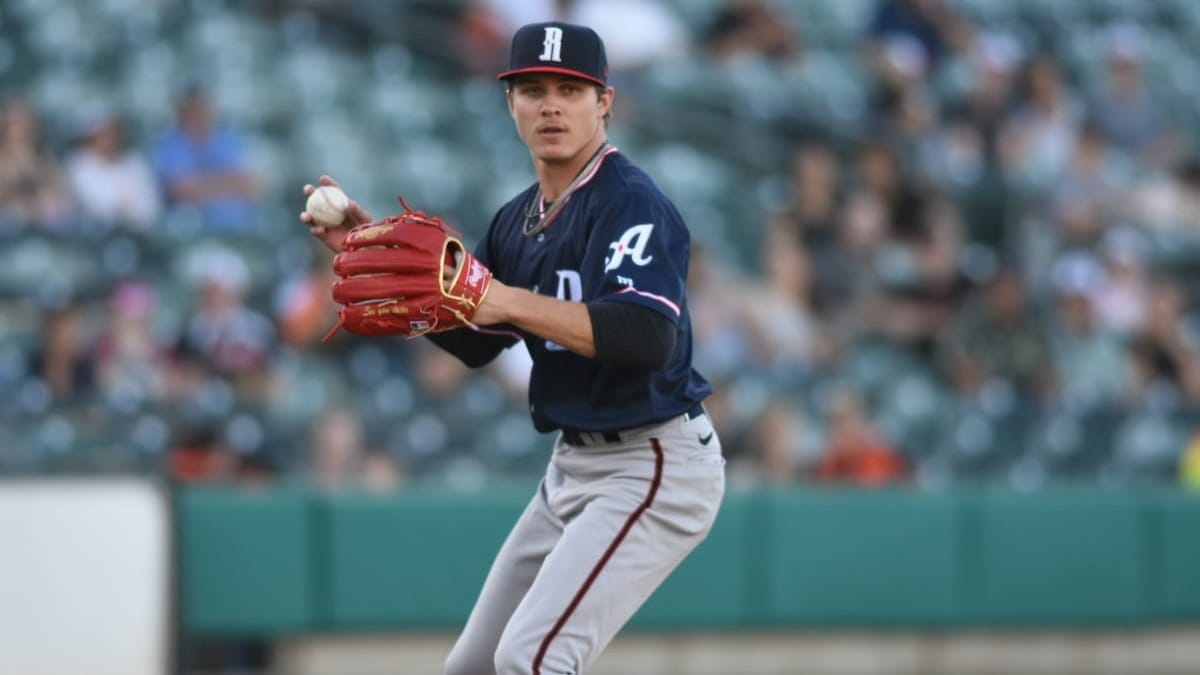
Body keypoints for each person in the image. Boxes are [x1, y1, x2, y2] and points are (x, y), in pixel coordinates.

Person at [301, 21, 724, 675]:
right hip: (574, 465)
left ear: (604, 101)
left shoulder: (631, 204)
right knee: (471, 666)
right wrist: (388, 265)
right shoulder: (516, 218)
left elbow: (647, 336)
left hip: (653, 463)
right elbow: (478, 343)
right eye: (532, 89)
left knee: (532, 659)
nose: (550, 104)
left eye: (569, 89)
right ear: (510, 104)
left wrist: (496, 296)